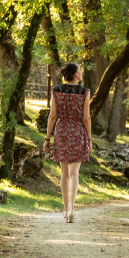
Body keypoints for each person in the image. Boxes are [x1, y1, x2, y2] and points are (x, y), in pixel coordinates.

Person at [43, 63, 91, 222]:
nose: (81, 72)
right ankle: (72, 208)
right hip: (77, 132)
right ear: (76, 74)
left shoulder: (56, 90)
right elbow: (86, 118)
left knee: (64, 173)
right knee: (74, 173)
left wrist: (47, 138)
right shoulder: (84, 92)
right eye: (80, 70)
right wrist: (89, 139)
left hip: (62, 131)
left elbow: (52, 116)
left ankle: (65, 209)